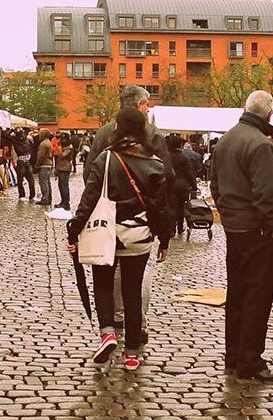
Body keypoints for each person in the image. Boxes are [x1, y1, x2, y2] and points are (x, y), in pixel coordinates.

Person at [67, 107, 171, 371]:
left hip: (106, 234)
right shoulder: (155, 163)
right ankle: (132, 354)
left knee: (102, 286)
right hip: (139, 237)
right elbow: (161, 207)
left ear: (118, 128)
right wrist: (165, 239)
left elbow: (90, 198)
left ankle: (108, 333)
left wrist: (74, 229)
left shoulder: (106, 159)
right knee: (132, 293)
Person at [210, 90, 273, 381]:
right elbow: (266, 193)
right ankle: (250, 360)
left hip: (236, 227)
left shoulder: (226, 140)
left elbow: (215, 185)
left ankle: (234, 354)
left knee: (237, 293)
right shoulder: (260, 144)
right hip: (257, 230)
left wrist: (228, 213)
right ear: (269, 114)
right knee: (257, 295)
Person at [84, 85, 174, 339]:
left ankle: (115, 319)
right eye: (147, 105)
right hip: (140, 219)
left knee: (110, 270)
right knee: (137, 277)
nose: (148, 109)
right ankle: (138, 326)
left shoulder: (103, 133)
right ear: (139, 105)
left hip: (108, 217)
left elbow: (90, 172)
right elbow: (167, 176)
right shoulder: (152, 134)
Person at [167, 135, 197, 235]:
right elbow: (189, 173)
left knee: (171, 207)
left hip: (170, 184)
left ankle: (171, 229)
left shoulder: (166, 156)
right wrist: (194, 186)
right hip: (182, 185)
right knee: (181, 206)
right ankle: (180, 228)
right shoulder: (184, 157)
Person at [12, 129, 35, 201]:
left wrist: (12, 130)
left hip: (21, 161)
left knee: (20, 180)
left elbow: (6, 135)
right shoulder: (28, 140)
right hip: (28, 161)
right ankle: (32, 195)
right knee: (31, 180)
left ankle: (22, 195)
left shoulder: (15, 140)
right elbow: (33, 149)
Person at [33, 128, 54, 206]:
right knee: (47, 182)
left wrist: (37, 166)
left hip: (44, 164)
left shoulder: (43, 144)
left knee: (43, 183)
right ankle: (49, 198)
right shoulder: (49, 142)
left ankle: (45, 199)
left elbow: (40, 156)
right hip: (48, 164)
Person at [55, 132, 74, 210]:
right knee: (60, 186)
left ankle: (66, 203)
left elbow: (62, 155)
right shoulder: (65, 147)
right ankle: (63, 201)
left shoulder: (69, 148)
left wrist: (60, 148)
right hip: (61, 168)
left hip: (65, 168)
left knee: (64, 186)